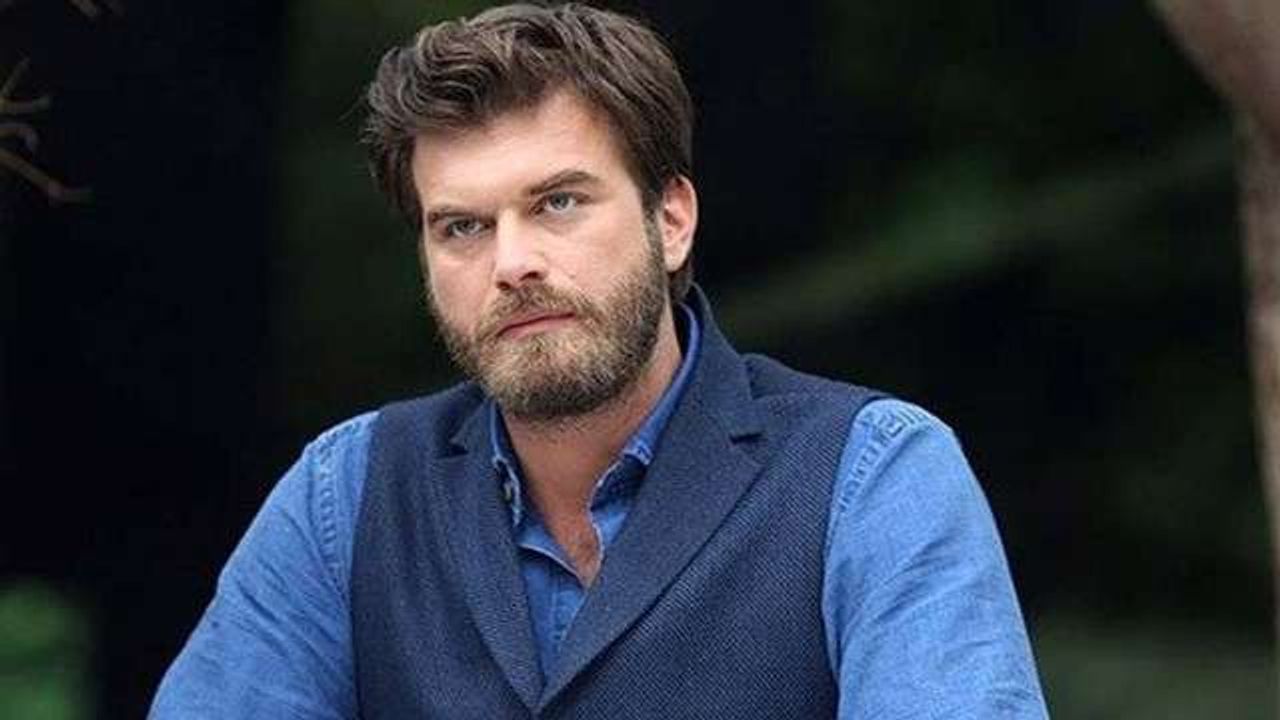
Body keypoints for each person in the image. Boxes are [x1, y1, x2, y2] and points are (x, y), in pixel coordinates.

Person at [150, 3, 1049, 718]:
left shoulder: (869, 474)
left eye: (559, 203)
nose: (512, 263)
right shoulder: (346, 494)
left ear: (672, 219)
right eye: (462, 227)